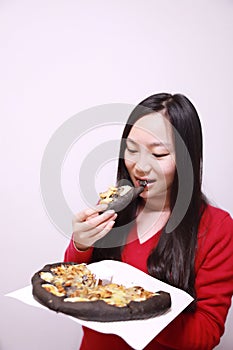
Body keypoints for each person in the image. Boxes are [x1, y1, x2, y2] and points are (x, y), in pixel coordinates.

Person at [64, 93, 233, 350]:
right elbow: (72, 284)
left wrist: (135, 310)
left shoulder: (217, 227)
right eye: (132, 150)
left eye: (159, 153)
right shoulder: (112, 208)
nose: (141, 167)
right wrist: (80, 246)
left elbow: (207, 331)